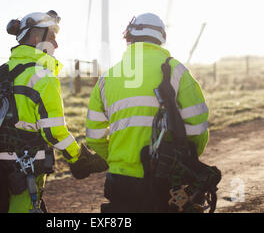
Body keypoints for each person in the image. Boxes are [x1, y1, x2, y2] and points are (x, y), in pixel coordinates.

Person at [0, 10, 107, 213]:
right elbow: (54, 132)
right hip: (25, 170)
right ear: (37, 37)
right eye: (52, 37)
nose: (56, 44)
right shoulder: (44, 77)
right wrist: (79, 157)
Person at [85, 13, 210, 213]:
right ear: (161, 39)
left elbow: (93, 136)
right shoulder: (176, 71)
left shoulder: (107, 78)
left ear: (129, 39)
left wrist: (117, 158)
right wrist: (185, 162)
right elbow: (197, 127)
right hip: (166, 180)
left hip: (120, 180)